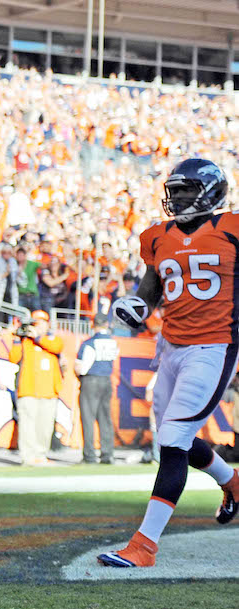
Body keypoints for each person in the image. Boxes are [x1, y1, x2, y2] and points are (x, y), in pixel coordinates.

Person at [99, 159, 239, 568]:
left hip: (214, 347)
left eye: (185, 189)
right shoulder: (158, 237)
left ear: (211, 191)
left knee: (175, 439)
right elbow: (151, 290)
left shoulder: (232, 227)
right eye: (172, 190)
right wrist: (135, 306)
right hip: (171, 347)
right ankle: (233, 482)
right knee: (172, 439)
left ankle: (144, 545)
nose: (175, 197)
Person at [9, 310, 64, 466]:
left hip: (49, 392)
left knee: (45, 426)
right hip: (28, 390)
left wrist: (38, 337)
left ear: (47, 324)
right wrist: (16, 338)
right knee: (27, 425)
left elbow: (56, 347)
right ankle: (28, 456)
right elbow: (13, 358)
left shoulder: (52, 339)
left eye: (39, 323)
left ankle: (40, 455)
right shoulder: (26, 342)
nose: (36, 326)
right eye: (34, 323)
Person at [76, 313, 119, 464]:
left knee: (88, 418)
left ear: (93, 325)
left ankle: (89, 455)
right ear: (106, 325)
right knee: (105, 419)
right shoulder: (113, 342)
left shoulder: (89, 343)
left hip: (91, 380)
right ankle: (107, 454)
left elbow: (82, 368)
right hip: (106, 380)